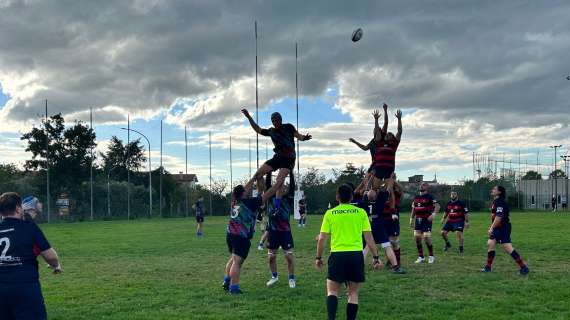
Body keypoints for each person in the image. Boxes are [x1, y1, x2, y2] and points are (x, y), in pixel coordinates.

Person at [316, 184, 382, 320]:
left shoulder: (330, 213)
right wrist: (376, 257)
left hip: (337, 255)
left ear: (337, 197)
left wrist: (318, 257)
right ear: (352, 197)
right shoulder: (361, 213)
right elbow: (369, 237)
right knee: (353, 293)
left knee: (332, 291)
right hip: (355, 256)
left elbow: (322, 238)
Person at [0, 192, 62, 320]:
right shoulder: (29, 226)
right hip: (25, 286)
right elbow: (50, 256)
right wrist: (56, 265)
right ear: (18, 208)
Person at [241, 109, 311, 217]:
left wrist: (304, 138)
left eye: (276, 120)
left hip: (289, 158)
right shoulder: (271, 131)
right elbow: (258, 129)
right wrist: (249, 117)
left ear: (280, 120)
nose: (274, 122)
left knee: (279, 181)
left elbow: (298, 136)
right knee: (258, 175)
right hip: (278, 157)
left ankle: (274, 205)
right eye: (273, 121)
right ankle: (259, 197)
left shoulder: (288, 127)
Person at [222, 179, 276, 295]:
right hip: (240, 236)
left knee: (233, 259)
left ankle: (226, 281)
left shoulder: (235, 201)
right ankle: (234, 288)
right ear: (243, 193)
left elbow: (245, 190)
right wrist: (277, 185)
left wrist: (255, 178)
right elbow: (267, 194)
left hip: (230, 233)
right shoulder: (249, 202)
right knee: (237, 262)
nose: (249, 190)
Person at [482, 186, 529, 275]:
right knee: (491, 243)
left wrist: (492, 228)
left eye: (494, 189)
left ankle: (524, 267)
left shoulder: (500, 202)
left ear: (499, 192)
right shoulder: (496, 201)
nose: (492, 190)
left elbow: (499, 217)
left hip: (503, 227)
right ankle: (488, 267)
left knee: (507, 247)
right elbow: (495, 217)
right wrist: (492, 226)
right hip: (498, 227)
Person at [265, 175, 297, 289]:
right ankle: (274, 277)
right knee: (271, 257)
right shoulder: (270, 197)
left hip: (285, 232)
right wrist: (269, 172)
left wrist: (291, 173)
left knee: (289, 257)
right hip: (273, 232)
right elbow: (267, 184)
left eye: (284, 187)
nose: (282, 189)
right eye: (280, 187)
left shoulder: (288, 198)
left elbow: (292, 186)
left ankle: (291, 278)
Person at [410, 182, 440, 264]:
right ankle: (421, 257)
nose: (421, 185)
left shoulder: (430, 197)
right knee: (417, 239)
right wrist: (411, 219)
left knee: (427, 238)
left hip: (426, 220)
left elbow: (437, 206)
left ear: (427, 187)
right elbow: (414, 209)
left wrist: (433, 214)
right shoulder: (416, 197)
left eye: (423, 185)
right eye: (420, 184)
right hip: (418, 220)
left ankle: (431, 256)